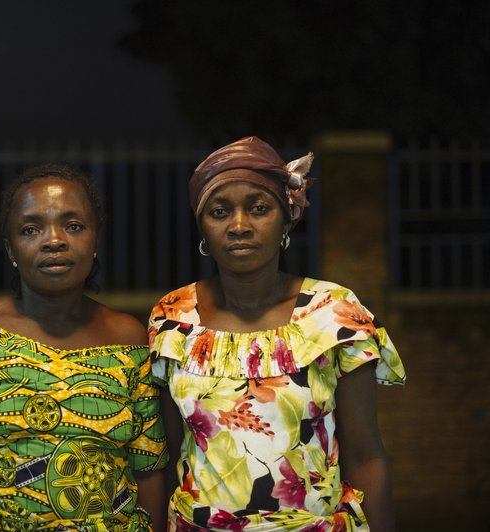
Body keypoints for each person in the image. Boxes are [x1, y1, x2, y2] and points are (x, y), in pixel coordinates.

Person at [148, 137, 406, 531]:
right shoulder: (174, 317)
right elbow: (166, 454)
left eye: (258, 208)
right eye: (220, 211)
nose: (238, 226)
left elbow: (366, 457)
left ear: (287, 218)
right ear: (202, 226)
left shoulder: (333, 313)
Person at [0, 164, 168, 531]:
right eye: (31, 229)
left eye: (73, 225)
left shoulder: (129, 338)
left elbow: (149, 469)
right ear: (11, 247)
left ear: (96, 239)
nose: (54, 240)